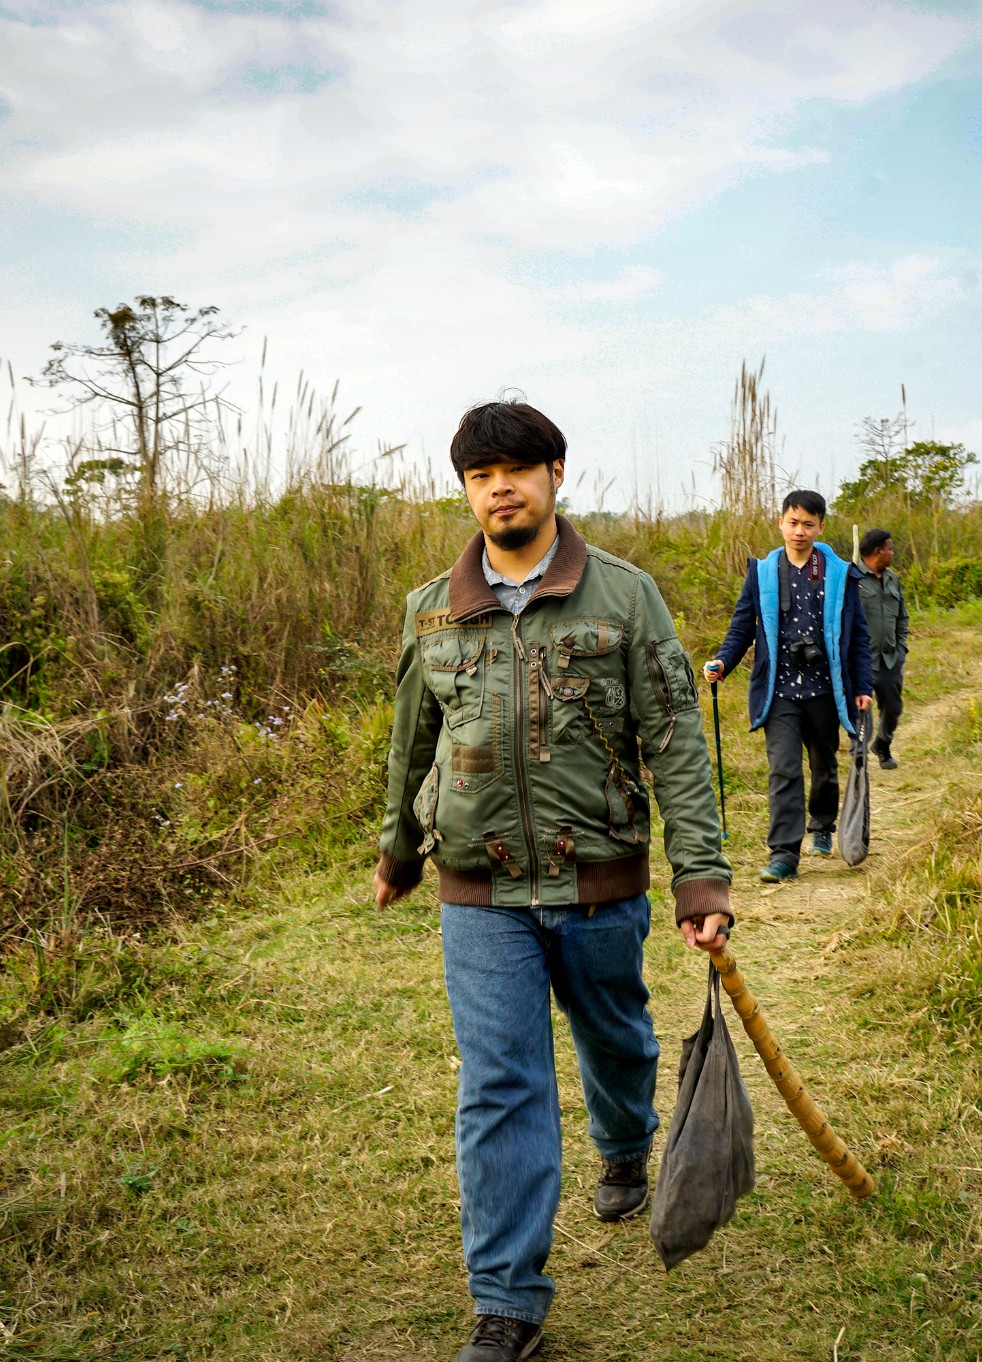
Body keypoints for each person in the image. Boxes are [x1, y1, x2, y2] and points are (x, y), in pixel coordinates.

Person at [374, 400, 733, 1362]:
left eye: (517, 470)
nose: (500, 488)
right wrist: (398, 850)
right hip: (477, 889)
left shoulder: (623, 597)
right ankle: (506, 1301)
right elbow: (413, 737)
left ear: (556, 474)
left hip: (599, 881)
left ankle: (625, 1142)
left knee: (615, 1034)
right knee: (499, 1082)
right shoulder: (431, 609)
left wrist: (701, 879)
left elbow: (675, 740)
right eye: (481, 475)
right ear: (466, 490)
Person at [703, 490, 874, 883]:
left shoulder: (839, 573)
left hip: (824, 691)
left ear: (820, 528)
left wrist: (862, 685)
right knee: (783, 771)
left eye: (808, 524)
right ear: (780, 522)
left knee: (824, 767)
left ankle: (824, 825)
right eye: (793, 522)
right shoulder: (762, 572)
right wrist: (723, 662)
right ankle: (784, 854)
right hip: (779, 693)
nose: (799, 531)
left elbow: (858, 636)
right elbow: (742, 627)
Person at [855, 528, 909, 769]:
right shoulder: (852, 577)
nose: (893, 553)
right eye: (890, 548)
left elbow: (902, 617)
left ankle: (882, 744)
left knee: (893, 707)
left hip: (889, 659)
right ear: (878, 551)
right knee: (860, 711)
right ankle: (858, 753)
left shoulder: (892, 578)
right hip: (861, 660)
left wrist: (900, 649)